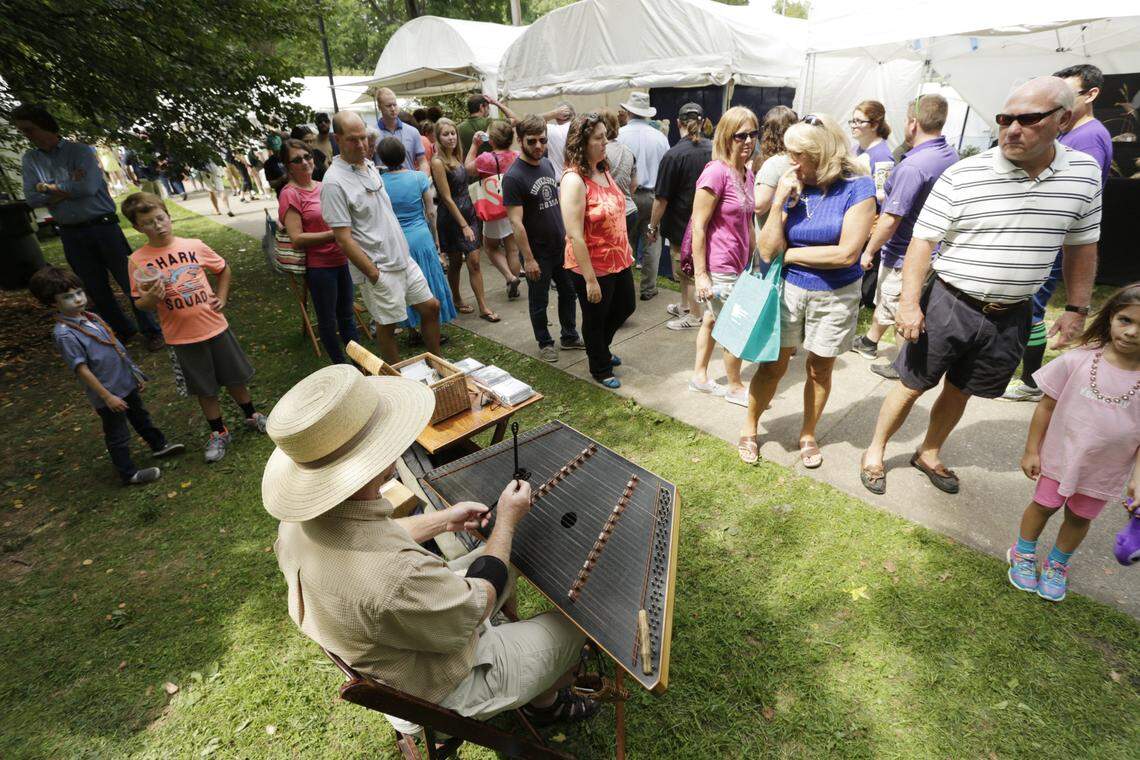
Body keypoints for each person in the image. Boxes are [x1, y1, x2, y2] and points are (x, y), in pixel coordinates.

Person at [265, 365, 599, 728]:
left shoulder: (295, 526)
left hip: (392, 648)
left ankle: (536, 678)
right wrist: (505, 523)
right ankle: (546, 705)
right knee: (574, 627)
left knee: (501, 561)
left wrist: (443, 520)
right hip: (446, 683)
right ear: (378, 456)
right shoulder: (396, 577)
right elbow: (478, 604)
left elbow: (368, 537)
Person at [859, 77, 1102, 496]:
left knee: (963, 389)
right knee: (913, 382)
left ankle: (929, 451)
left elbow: (1082, 244)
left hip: (1012, 312)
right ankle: (875, 451)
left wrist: (1078, 308)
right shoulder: (965, 174)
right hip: (950, 303)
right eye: (1006, 119)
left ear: (1062, 120)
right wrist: (910, 304)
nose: (1012, 129)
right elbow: (923, 241)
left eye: (1028, 120)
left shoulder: (1084, 174)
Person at [743, 114, 876, 467]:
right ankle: (750, 428)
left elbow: (846, 253)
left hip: (836, 294)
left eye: (796, 154)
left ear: (821, 154)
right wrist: (778, 203)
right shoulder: (793, 186)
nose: (790, 162)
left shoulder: (859, 187)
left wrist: (791, 254)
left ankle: (807, 433)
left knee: (820, 369)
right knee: (772, 365)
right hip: (789, 290)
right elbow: (768, 250)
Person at [1007, 283, 1140, 602]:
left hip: (1104, 470)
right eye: (1126, 320)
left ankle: (1057, 565)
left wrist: (1138, 479)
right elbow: (1046, 407)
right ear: (1110, 317)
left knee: (1080, 516)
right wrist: (1031, 450)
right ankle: (1022, 553)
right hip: (1059, 458)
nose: (1132, 332)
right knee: (1044, 505)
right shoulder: (1078, 360)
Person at [122, 192, 267, 463]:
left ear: (168, 215)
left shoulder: (194, 245)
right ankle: (218, 431)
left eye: (161, 218)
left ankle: (252, 414)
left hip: (215, 326)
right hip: (182, 337)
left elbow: (223, 269)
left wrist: (221, 297)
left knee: (235, 377)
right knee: (205, 388)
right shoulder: (138, 261)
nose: (158, 226)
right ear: (137, 228)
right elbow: (140, 304)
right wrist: (153, 296)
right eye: (149, 223)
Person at [1004, 64, 1115, 402]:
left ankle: (1032, 381)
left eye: (1067, 95)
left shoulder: (1089, 137)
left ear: (1091, 95)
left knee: (1033, 309)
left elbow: (1076, 197)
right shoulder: (1074, 133)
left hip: (1055, 242)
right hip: (1047, 240)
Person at [14, 104, 164, 351]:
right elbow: (31, 198)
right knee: (93, 287)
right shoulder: (31, 159)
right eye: (22, 131)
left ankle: (152, 330)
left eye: (29, 129)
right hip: (71, 231)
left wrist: (48, 187)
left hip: (103, 227)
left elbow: (88, 188)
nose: (26, 135)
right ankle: (121, 331)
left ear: (44, 124)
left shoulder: (79, 151)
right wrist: (65, 187)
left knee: (130, 281)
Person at [28, 265, 185, 485]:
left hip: (124, 383)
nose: (77, 299)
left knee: (140, 416)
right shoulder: (65, 334)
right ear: (53, 303)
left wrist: (134, 374)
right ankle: (128, 473)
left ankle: (158, 445)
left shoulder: (91, 317)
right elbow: (81, 369)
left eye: (79, 293)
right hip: (108, 394)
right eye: (68, 297)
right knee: (117, 433)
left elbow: (116, 349)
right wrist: (107, 397)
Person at [851, 94, 958, 380]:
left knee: (902, 309)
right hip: (932, 248)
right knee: (888, 299)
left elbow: (890, 219)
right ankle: (870, 341)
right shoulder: (949, 155)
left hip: (905, 252)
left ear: (912, 123)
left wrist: (869, 250)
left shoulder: (912, 166)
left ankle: (904, 368)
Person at [322, 112, 442, 363]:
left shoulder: (368, 166)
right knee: (388, 326)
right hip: (378, 267)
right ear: (338, 139)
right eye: (353, 140)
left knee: (431, 307)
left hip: (402, 257)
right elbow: (343, 238)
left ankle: (438, 366)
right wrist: (373, 273)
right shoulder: (334, 182)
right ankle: (396, 382)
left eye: (364, 138)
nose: (362, 145)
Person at [688, 107, 758, 406]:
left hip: (741, 263)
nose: (748, 141)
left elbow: (748, 222)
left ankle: (700, 377)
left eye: (753, 134)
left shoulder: (746, 172)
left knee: (712, 321)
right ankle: (735, 385)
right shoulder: (715, 172)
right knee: (734, 325)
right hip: (720, 265)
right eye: (741, 135)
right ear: (727, 137)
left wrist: (756, 260)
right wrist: (701, 274)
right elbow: (698, 226)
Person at [560, 113, 636, 389]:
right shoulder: (573, 180)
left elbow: (616, 211)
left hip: (618, 259)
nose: (605, 142)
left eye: (606, 136)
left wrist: (626, 249)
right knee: (596, 317)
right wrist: (590, 279)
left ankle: (600, 348)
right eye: (599, 138)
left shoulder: (603, 169)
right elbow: (574, 235)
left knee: (626, 305)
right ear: (582, 142)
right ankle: (600, 367)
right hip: (590, 264)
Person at [504, 114, 584, 363]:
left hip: (560, 245)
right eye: (532, 142)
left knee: (569, 292)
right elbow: (515, 222)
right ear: (519, 140)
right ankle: (545, 342)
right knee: (539, 300)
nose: (538, 146)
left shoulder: (548, 164)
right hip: (536, 252)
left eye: (542, 140)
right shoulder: (513, 177)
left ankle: (569, 336)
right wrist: (528, 259)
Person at [277, 138, 359, 364]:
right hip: (320, 268)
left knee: (347, 317)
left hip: (342, 259)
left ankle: (361, 365)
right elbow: (297, 239)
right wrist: (335, 234)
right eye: (297, 159)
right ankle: (341, 367)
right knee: (328, 320)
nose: (304, 162)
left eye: (307, 156)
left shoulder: (323, 186)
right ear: (287, 165)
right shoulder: (290, 194)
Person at [377, 137, 457, 342]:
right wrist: (436, 240)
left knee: (404, 284)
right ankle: (432, 330)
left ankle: (412, 331)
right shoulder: (419, 178)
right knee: (428, 282)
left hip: (396, 240)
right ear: (405, 155)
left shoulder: (379, 183)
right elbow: (431, 212)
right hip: (420, 236)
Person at [649, 102, 713, 331]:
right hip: (708, 222)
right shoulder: (714, 150)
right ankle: (686, 306)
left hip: (681, 225)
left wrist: (652, 226)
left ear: (678, 123)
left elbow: (661, 198)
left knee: (690, 270)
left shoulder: (673, 155)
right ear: (704, 122)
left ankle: (695, 315)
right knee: (692, 269)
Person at [431, 117, 498, 323]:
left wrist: (475, 146)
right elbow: (446, 198)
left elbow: (466, 169)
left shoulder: (455, 156)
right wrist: (464, 225)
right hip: (453, 218)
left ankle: (483, 306)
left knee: (475, 262)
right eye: (446, 134)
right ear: (438, 137)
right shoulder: (437, 162)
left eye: (453, 133)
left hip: (468, 212)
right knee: (455, 264)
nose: (451, 137)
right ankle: (457, 299)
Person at [617, 92, 670, 301]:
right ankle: (648, 288)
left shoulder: (620, 135)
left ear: (629, 111)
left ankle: (624, 287)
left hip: (626, 195)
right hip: (653, 197)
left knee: (624, 241)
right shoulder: (660, 138)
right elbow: (666, 168)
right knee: (652, 242)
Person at [467, 120, 524, 298]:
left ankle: (509, 277)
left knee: (490, 247)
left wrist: (474, 145)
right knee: (512, 249)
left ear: (490, 140)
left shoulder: (486, 159)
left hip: (494, 208)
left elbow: (467, 169)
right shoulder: (517, 156)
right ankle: (513, 279)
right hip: (513, 207)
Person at [601, 109, 639, 258]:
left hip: (608, 213)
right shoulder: (628, 151)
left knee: (610, 257)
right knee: (623, 253)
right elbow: (634, 184)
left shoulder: (599, 151)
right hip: (629, 210)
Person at [753, 106, 798, 228]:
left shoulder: (774, 164)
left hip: (770, 233)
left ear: (767, 132)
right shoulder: (798, 159)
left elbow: (759, 206)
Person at [374, 88, 428, 173]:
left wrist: (422, 180)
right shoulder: (372, 134)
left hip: (410, 183)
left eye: (394, 105)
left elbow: (423, 161)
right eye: (388, 106)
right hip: (385, 184)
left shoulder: (412, 132)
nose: (392, 109)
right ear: (379, 107)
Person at [457, 93, 521, 159]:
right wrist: (496, 103)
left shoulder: (458, 128)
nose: (489, 110)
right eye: (488, 107)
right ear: (481, 107)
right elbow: (516, 120)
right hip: (491, 165)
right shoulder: (493, 123)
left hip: (469, 166)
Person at [850, 99, 894, 179]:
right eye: (853, 121)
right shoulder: (854, 149)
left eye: (859, 121)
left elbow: (881, 191)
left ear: (874, 125)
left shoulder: (883, 157)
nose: (853, 126)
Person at [544, 102, 575, 180]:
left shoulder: (552, 131)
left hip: (559, 183)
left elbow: (531, 121)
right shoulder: (582, 129)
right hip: (580, 181)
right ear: (574, 115)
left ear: (557, 117)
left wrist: (553, 113)